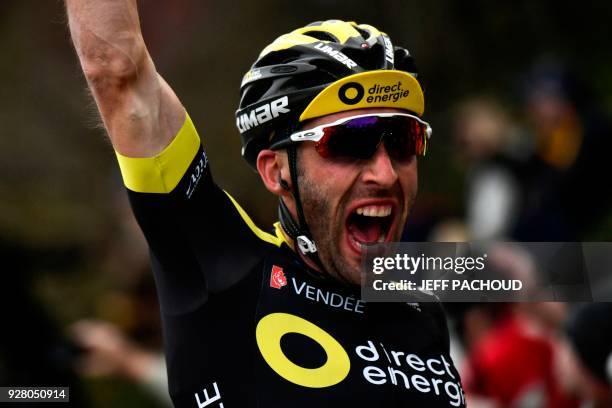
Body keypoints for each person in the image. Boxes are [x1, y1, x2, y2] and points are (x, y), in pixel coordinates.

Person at [66, 1, 465, 406]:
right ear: (276, 171)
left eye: (402, 141)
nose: (387, 174)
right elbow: (117, 71)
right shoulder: (225, 265)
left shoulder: (418, 299)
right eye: (350, 142)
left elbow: (523, 274)